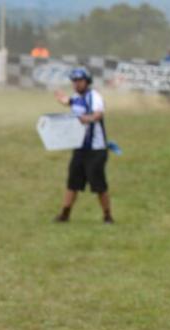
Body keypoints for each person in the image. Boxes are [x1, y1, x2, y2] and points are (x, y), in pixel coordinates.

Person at [52, 68, 114, 224]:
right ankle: (65, 214)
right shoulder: (76, 97)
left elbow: (98, 114)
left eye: (79, 81)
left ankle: (107, 216)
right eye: (74, 82)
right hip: (79, 148)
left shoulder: (95, 97)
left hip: (96, 149)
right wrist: (63, 100)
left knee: (98, 184)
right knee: (72, 183)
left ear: (87, 82)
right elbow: (72, 103)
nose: (76, 84)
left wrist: (85, 119)